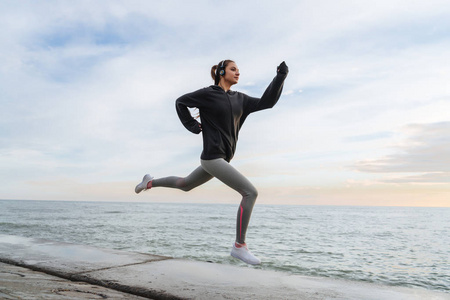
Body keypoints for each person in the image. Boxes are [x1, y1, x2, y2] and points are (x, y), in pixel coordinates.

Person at [135, 60, 289, 265]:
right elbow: (180, 102)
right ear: (221, 71)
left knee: (185, 184)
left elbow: (267, 102)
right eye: (233, 69)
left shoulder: (240, 99)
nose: (238, 73)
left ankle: (149, 182)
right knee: (250, 192)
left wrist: (280, 77)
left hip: (222, 158)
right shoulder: (208, 94)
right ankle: (239, 246)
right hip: (212, 156)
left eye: (239, 70)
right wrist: (192, 125)